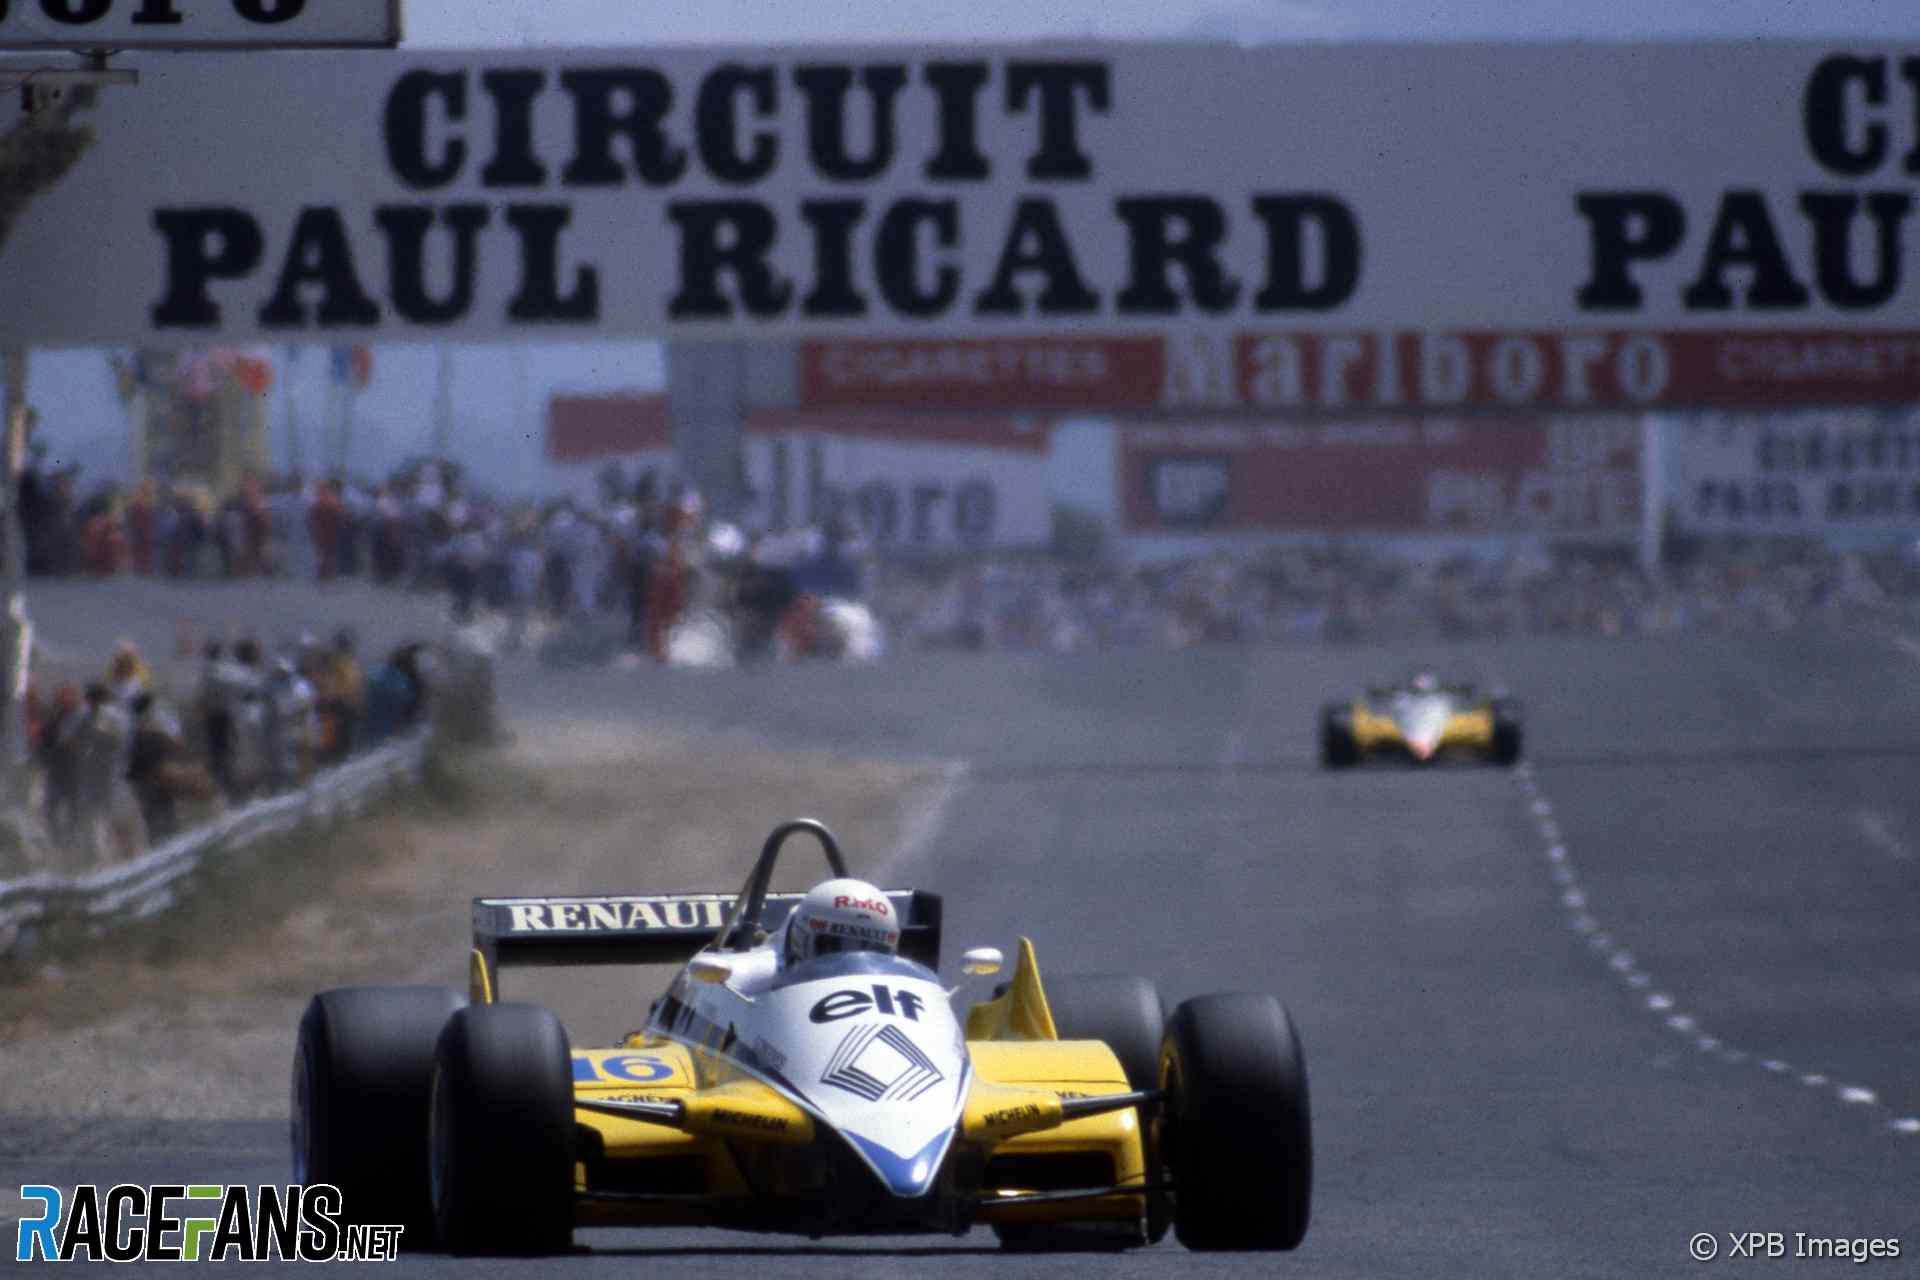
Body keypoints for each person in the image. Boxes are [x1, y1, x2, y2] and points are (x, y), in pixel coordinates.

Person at [780, 878, 901, 968]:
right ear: (801, 941)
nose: (852, 967)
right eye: (834, 948)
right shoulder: (764, 978)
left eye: (874, 952)